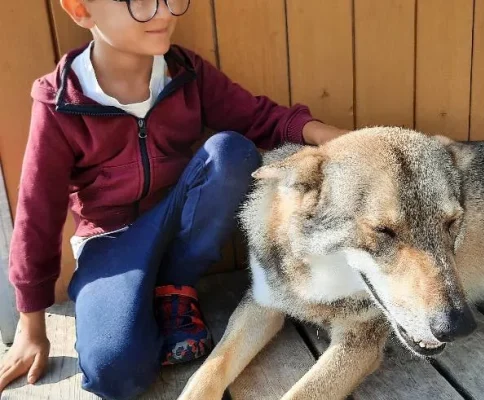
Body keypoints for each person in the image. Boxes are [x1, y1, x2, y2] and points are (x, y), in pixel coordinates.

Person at [0, 0, 348, 398]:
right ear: (81, 9)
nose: (165, 14)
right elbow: (36, 216)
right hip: (112, 243)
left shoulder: (185, 73)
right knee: (114, 375)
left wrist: (324, 135)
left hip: (177, 221)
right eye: (140, 2)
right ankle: (137, 298)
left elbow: (257, 117)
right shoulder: (61, 102)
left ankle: (174, 287)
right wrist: (31, 328)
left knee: (231, 153)